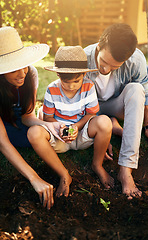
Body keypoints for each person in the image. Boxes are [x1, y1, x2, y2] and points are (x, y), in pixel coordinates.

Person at [84, 23, 148, 200]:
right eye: (103, 62)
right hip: (90, 109)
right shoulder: (83, 57)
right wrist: (100, 134)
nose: (106, 69)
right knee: (101, 121)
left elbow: (146, 93)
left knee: (136, 89)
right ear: (99, 46)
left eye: (114, 66)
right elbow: (77, 101)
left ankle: (126, 170)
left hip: (117, 105)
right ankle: (111, 126)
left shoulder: (136, 60)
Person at [28, 45, 114, 198]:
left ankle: (97, 165)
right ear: (58, 76)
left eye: (76, 80)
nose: (71, 86)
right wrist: (62, 129)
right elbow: (48, 118)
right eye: (65, 81)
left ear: (83, 75)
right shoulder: (52, 89)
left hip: (82, 134)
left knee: (105, 122)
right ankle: (64, 174)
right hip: (59, 136)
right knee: (34, 132)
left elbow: (91, 114)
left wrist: (76, 126)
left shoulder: (88, 86)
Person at [0, 26, 62, 210]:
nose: (22, 74)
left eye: (23, 65)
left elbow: (27, 117)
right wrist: (35, 178)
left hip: (17, 124)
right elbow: (2, 142)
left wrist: (52, 126)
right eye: (13, 70)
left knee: (37, 136)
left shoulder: (31, 74)